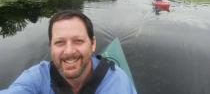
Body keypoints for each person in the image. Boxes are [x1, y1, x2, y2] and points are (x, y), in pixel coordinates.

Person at [0, 10, 137, 94]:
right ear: (51, 47)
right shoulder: (35, 78)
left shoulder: (117, 82)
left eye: (78, 41)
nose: (69, 51)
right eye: (59, 42)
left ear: (93, 44)